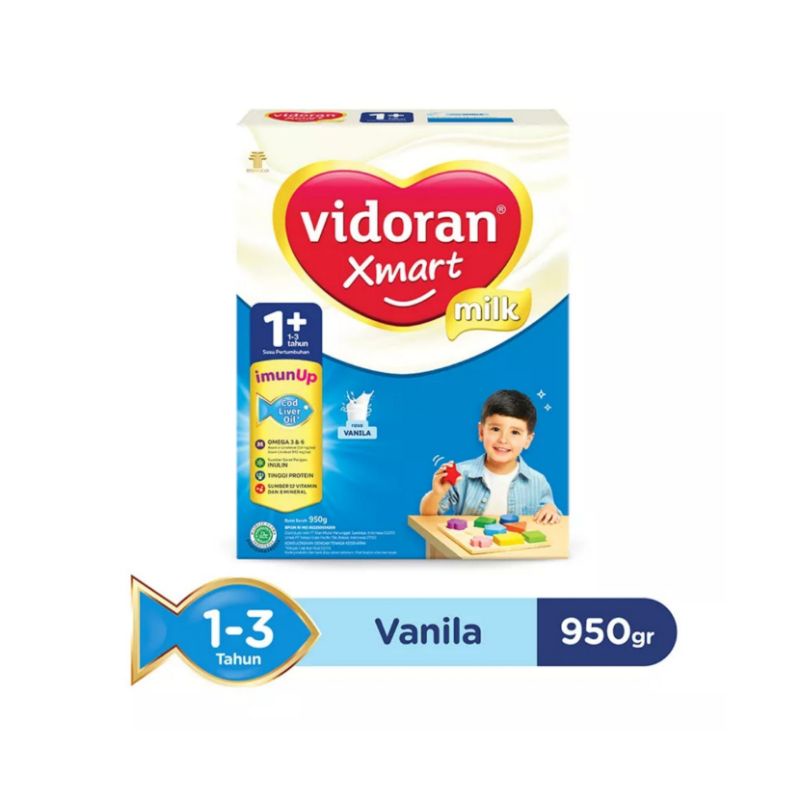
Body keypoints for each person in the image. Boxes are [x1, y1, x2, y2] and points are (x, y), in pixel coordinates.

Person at [419, 389, 560, 523]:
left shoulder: (537, 481)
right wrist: (436, 494)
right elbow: (427, 516)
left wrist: (550, 509)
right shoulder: (461, 474)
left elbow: (552, 514)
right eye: (495, 429)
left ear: (528, 440)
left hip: (517, 542)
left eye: (515, 432)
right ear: (481, 432)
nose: (503, 440)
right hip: (469, 541)